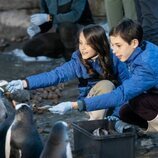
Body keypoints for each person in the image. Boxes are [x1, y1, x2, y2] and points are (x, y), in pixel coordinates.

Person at [29, 18, 158, 133]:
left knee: (134, 99)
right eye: (113, 45)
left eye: (118, 45)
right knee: (127, 111)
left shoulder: (139, 63)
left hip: (112, 99)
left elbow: (123, 93)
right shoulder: (140, 49)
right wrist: (25, 83)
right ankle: (106, 124)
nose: (114, 50)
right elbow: (55, 75)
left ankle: (148, 128)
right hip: (95, 101)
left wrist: (74, 105)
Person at [6, 24, 128, 120]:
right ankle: (95, 123)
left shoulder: (115, 59)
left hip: (114, 102)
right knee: (107, 85)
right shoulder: (78, 62)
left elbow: (127, 88)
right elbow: (55, 76)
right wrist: (24, 83)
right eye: (81, 43)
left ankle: (112, 118)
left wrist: (118, 114)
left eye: (88, 44)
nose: (83, 48)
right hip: (90, 103)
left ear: (98, 44)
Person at [23, 0, 94, 61]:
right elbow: (47, 20)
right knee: (30, 47)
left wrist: (49, 18)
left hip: (85, 32)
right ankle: (66, 55)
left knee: (65, 28)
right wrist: (39, 28)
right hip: (63, 35)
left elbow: (75, 16)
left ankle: (79, 62)